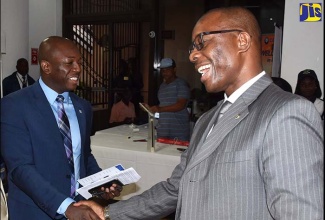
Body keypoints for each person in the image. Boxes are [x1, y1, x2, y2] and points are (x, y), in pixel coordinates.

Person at [75, 7, 323, 219]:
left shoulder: (286, 112)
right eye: (192, 47)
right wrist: (107, 213)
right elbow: (177, 188)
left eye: (201, 42)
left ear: (242, 41)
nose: (193, 55)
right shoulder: (207, 120)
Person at [1, 36, 121, 220]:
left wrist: (101, 183)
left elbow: (83, 156)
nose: (78, 69)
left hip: (80, 208)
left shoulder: (83, 107)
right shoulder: (14, 105)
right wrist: (65, 207)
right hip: (35, 213)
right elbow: (20, 168)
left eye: (79, 62)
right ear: (46, 66)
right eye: (69, 63)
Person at [147, 58, 191, 141]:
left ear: (174, 69)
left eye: (168, 69)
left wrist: (159, 109)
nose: (164, 72)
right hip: (163, 130)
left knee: (177, 154)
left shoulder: (181, 84)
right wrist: (151, 109)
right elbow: (162, 106)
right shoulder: (162, 86)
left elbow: (181, 105)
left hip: (178, 131)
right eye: (163, 70)